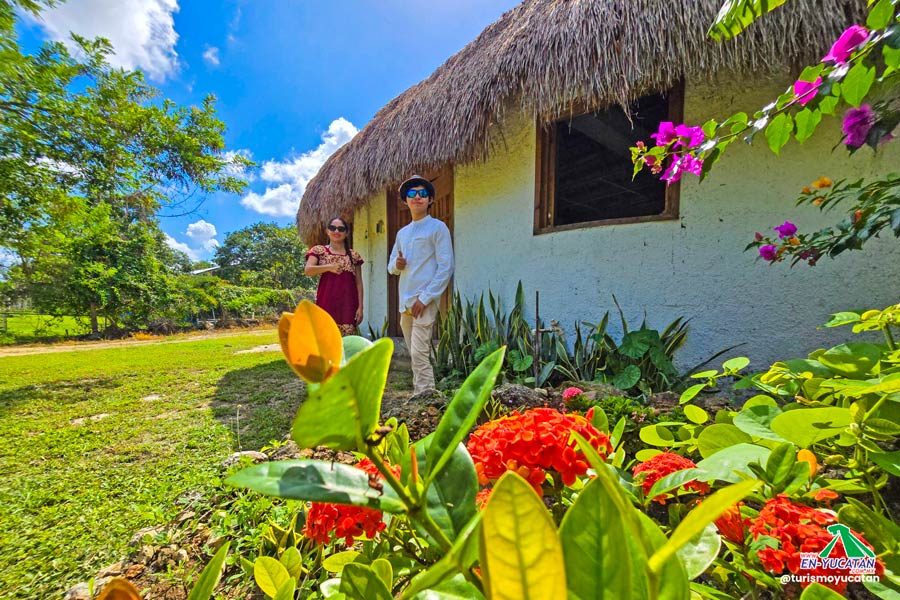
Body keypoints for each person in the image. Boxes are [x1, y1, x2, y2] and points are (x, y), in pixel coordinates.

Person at [387, 175, 454, 396]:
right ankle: (421, 393)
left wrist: (424, 299)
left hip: (423, 300)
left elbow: (446, 267)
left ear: (430, 200)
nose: (417, 197)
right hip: (405, 301)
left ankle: (425, 394)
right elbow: (391, 267)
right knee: (414, 352)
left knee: (419, 352)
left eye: (423, 193)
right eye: (412, 193)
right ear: (405, 200)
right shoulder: (402, 233)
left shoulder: (437, 227)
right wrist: (397, 265)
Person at [304, 217, 364, 336]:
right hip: (325, 304)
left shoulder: (354, 256)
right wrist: (329, 267)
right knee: (325, 340)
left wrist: (360, 307)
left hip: (348, 305)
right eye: (333, 228)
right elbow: (308, 270)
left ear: (346, 233)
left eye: (341, 229)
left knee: (347, 342)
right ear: (327, 231)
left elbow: (359, 283)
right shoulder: (319, 251)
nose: (336, 231)